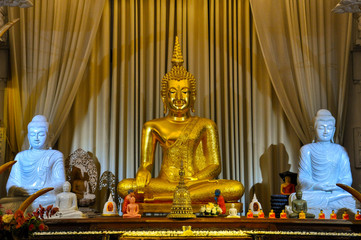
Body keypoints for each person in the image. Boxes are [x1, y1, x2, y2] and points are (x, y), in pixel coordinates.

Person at [117, 37, 244, 203]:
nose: (178, 97)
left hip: (195, 183)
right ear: (164, 97)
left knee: (235, 187)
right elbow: (146, 163)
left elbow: (215, 165)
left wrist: (194, 179)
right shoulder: (152, 126)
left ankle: (170, 198)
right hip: (164, 183)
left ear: (193, 97)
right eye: (172, 92)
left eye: (184, 92)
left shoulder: (205, 124)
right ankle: (179, 196)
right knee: (124, 186)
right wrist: (143, 171)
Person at [298, 109, 356, 214]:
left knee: (351, 200)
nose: (326, 131)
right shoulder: (307, 150)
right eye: (321, 128)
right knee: (298, 198)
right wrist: (319, 186)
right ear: (313, 130)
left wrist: (336, 186)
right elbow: (302, 179)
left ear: (333, 130)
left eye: (329, 128)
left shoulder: (340, 150)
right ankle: (328, 201)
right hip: (315, 194)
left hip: (337, 193)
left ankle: (330, 200)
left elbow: (347, 179)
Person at [5, 115, 65, 210]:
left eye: (41, 134)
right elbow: (11, 184)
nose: (36, 138)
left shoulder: (55, 155)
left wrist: (41, 191)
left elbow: (61, 183)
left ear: (50, 136)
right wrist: (18, 190)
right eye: (32, 135)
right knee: (4, 204)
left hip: (45, 198)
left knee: (59, 202)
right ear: (28, 137)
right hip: (23, 198)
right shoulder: (20, 156)